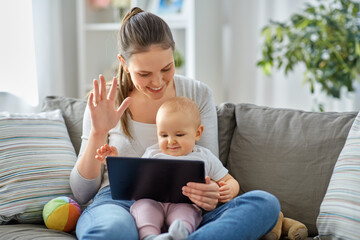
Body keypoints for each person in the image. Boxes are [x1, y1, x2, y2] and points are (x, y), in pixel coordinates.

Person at [70, 6, 280, 240]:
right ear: (124, 63)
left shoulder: (197, 94)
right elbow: (82, 192)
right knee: (112, 231)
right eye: (144, 74)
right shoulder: (104, 102)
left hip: (187, 206)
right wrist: (99, 132)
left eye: (166, 68)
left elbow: (206, 164)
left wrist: (212, 193)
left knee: (264, 203)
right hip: (120, 202)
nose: (158, 81)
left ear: (173, 55)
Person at [95, 96, 240, 240]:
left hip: (185, 204)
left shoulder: (204, 156)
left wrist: (230, 190)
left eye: (179, 134)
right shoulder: (152, 153)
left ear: (197, 133)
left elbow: (229, 180)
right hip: (152, 202)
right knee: (144, 209)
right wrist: (114, 160)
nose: (171, 141)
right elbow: (134, 179)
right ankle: (150, 236)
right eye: (163, 135)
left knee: (186, 214)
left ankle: (179, 234)